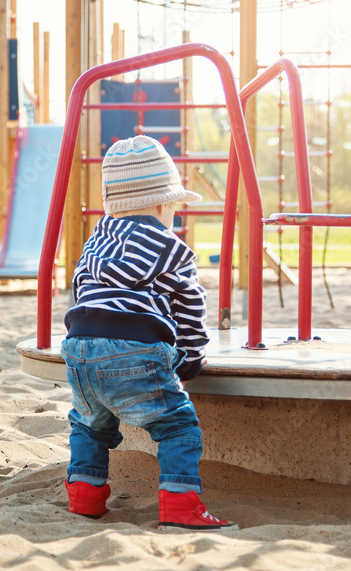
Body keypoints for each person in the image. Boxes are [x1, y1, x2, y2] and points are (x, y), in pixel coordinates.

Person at [60, 135, 237, 532]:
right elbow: (191, 303)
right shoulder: (168, 246)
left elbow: (80, 288)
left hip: (78, 344)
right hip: (133, 346)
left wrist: (88, 343)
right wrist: (191, 355)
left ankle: (85, 496)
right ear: (162, 205)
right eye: (174, 207)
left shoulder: (95, 243)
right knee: (176, 425)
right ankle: (180, 505)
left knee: (89, 424)